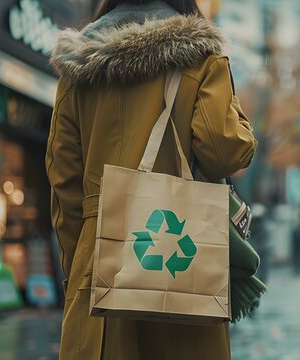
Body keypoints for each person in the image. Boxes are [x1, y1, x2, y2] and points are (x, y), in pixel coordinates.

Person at [46, 1, 257, 358]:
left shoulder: (77, 67)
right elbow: (225, 153)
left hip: (98, 266)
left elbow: (63, 179)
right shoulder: (203, 57)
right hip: (181, 264)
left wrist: (81, 264)